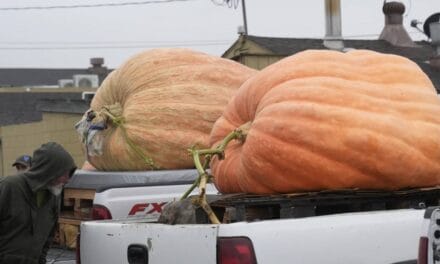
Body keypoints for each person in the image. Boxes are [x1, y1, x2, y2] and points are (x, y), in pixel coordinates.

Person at [0, 142, 76, 264]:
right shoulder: (9, 187)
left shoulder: (53, 196)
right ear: (49, 170)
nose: (67, 179)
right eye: (64, 173)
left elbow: (47, 239)